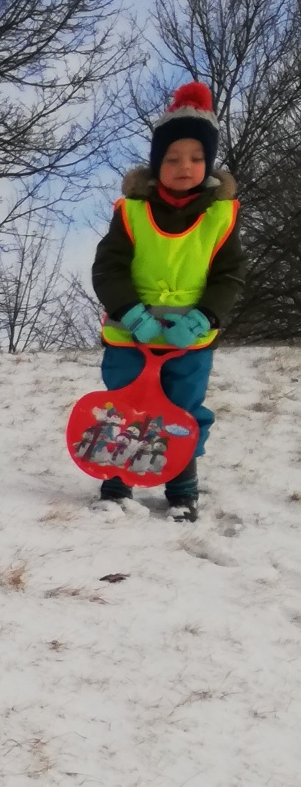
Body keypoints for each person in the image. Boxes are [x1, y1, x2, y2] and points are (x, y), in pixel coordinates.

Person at [91, 81, 244, 520]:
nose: (185, 166)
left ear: (208, 164)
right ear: (158, 164)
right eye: (173, 158)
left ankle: (181, 485)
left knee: (181, 410)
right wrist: (131, 313)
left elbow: (229, 274)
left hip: (189, 339)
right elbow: (109, 268)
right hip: (129, 334)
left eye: (197, 158)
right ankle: (117, 479)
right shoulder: (131, 211)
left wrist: (203, 318)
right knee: (124, 406)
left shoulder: (222, 216)